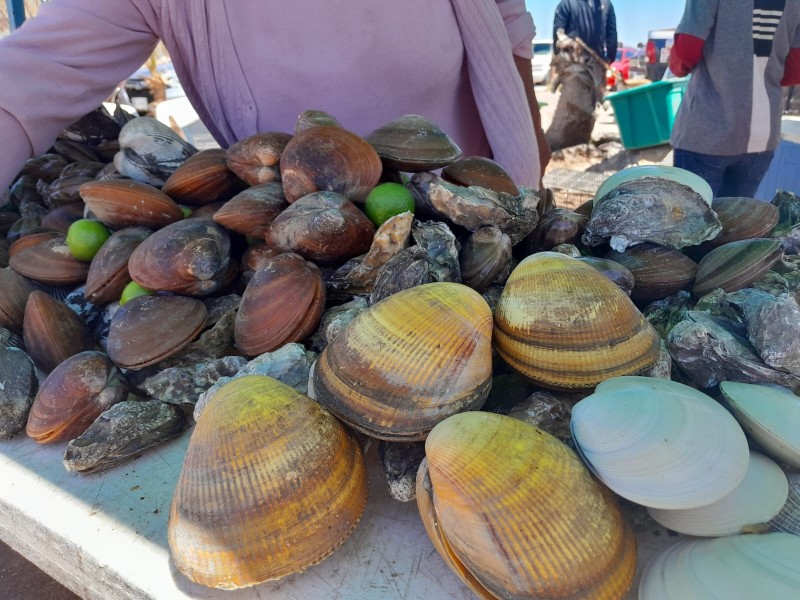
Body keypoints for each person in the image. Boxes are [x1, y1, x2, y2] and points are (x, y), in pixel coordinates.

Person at [0, 0, 549, 194]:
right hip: (307, 261)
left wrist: (529, 133)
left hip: (480, 207)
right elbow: (27, 79)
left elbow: (507, 19)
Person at [670, 0, 800, 198]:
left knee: (692, 222)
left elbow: (685, 52)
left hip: (707, 134)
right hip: (762, 136)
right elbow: (795, 69)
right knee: (740, 226)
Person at [552, 0, 618, 64]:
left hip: (571, 66)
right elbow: (612, 36)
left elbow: (557, 34)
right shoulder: (607, 4)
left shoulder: (566, 3)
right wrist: (609, 59)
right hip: (595, 65)